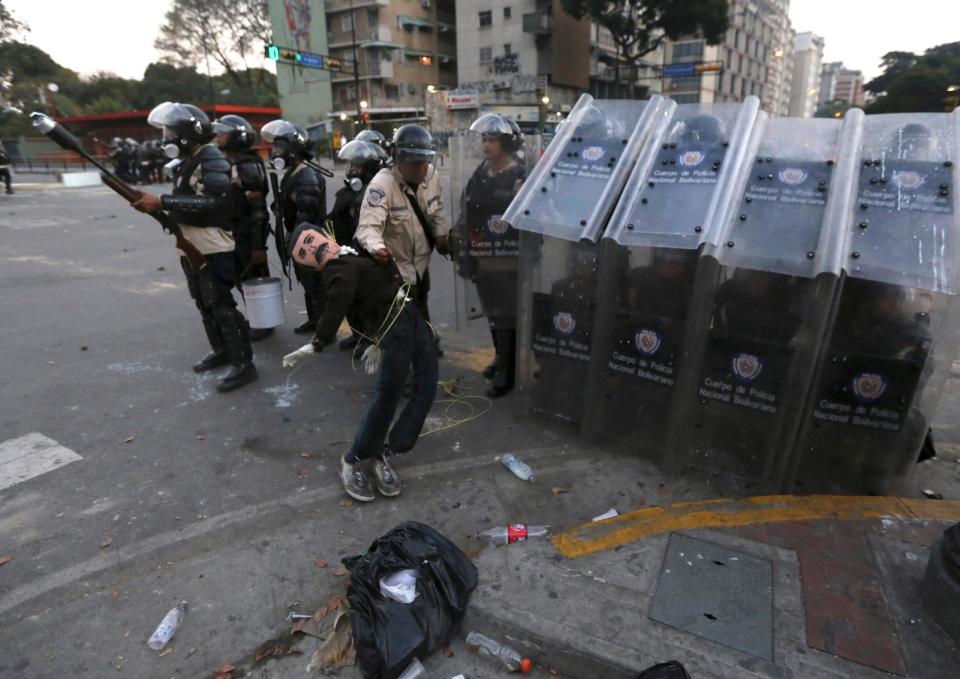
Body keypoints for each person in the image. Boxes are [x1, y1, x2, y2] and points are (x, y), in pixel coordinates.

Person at [287, 222, 438, 502]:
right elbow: (340, 298)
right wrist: (319, 341)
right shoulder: (337, 270)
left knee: (427, 384)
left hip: (409, 316)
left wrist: (374, 337)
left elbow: (373, 291)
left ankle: (384, 452)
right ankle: (354, 458)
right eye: (305, 251)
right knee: (388, 395)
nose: (312, 248)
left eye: (311, 240)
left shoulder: (349, 255)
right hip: (396, 328)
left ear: (326, 235)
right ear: (308, 264)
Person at [131, 101, 258, 393]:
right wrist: (158, 208)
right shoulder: (191, 159)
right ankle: (221, 350)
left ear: (188, 133)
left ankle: (243, 363)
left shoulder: (212, 159)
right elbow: (187, 202)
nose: (166, 138)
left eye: (170, 132)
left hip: (212, 244)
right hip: (190, 242)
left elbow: (213, 202)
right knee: (204, 303)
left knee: (221, 305)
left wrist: (162, 202)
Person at [355, 124, 450, 353]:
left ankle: (426, 344)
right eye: (415, 162)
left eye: (425, 161)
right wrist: (377, 248)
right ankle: (403, 375)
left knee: (420, 308)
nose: (421, 167)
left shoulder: (431, 175)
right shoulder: (382, 185)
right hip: (395, 271)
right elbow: (368, 227)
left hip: (420, 265)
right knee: (399, 329)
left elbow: (437, 211)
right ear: (398, 158)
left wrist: (441, 234)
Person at [455, 113, 527, 396]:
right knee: (493, 313)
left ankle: (508, 369)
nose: (486, 145)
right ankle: (501, 356)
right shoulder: (481, 172)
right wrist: (462, 247)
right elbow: (466, 209)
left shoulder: (519, 174)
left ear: (507, 143)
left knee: (508, 313)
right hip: (483, 254)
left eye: (492, 140)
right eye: (484, 139)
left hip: (509, 257)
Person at [261, 119, 327, 334]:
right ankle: (314, 319)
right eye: (276, 147)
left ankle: (324, 325)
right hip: (299, 235)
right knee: (307, 281)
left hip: (309, 239)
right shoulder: (293, 173)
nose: (276, 152)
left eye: (280, 147)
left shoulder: (307, 176)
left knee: (315, 283)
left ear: (293, 149)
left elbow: (306, 210)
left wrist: (295, 239)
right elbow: (287, 202)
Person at [213, 114, 273, 341]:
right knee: (243, 277)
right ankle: (259, 318)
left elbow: (257, 209)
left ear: (237, 137)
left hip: (247, 232)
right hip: (235, 230)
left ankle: (263, 322)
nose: (219, 136)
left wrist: (258, 245)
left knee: (253, 278)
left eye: (223, 132)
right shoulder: (233, 162)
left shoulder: (246, 164)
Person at [327, 138, 387, 349]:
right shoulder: (347, 193)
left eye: (357, 166)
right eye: (350, 165)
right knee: (349, 298)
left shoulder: (372, 195)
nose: (352, 170)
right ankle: (358, 334)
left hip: (363, 254)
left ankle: (370, 338)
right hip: (345, 251)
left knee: (365, 299)